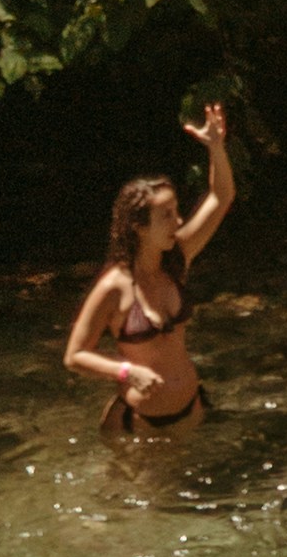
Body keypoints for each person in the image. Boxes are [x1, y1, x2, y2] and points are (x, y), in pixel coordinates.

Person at [62, 99, 236, 434]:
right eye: (166, 216)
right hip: (143, 428)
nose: (179, 220)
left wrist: (216, 147)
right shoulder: (115, 287)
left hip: (193, 410)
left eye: (177, 211)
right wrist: (127, 372)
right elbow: (75, 356)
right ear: (139, 227)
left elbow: (221, 196)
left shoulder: (176, 260)